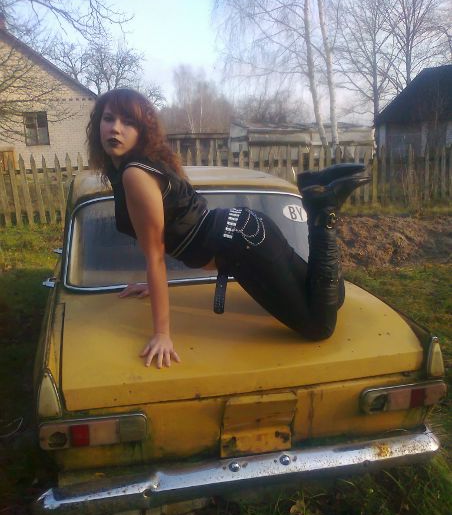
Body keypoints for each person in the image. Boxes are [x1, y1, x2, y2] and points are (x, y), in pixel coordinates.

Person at [86, 88, 370, 369]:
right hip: (247, 228)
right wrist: (152, 285)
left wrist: (162, 334)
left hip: (242, 247)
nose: (116, 128)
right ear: (98, 123)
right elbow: (173, 227)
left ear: (142, 131)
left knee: (319, 326)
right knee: (331, 298)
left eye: (128, 122)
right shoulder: (141, 166)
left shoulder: (135, 174)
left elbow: (156, 256)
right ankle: (312, 185)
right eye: (109, 118)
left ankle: (323, 212)